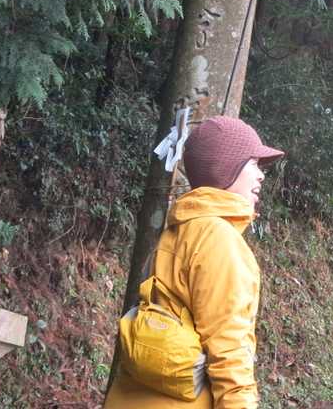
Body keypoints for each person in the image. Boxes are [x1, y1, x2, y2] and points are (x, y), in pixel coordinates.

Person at [105, 116, 284, 409]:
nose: (261, 175)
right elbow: (230, 351)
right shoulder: (219, 239)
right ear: (226, 168)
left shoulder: (177, 229)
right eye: (253, 163)